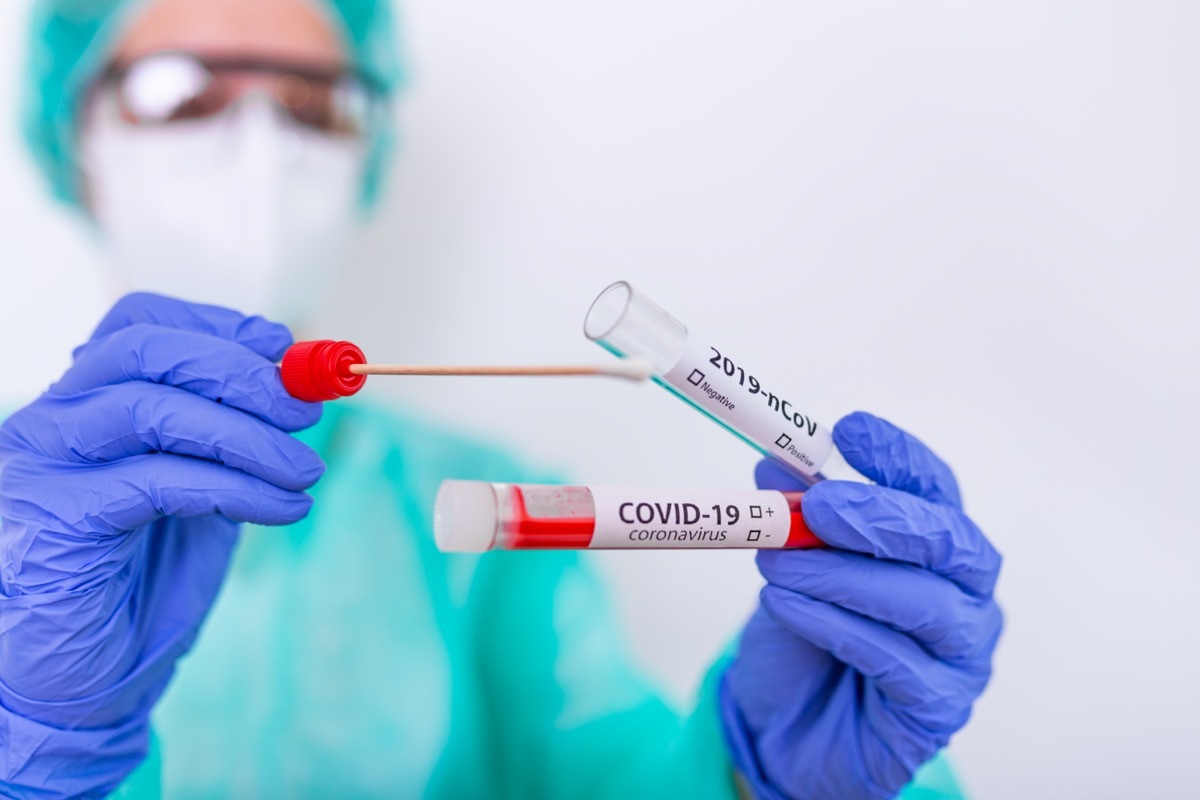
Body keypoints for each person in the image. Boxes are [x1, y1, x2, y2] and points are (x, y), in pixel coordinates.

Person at [0, 1, 1003, 798]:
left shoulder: (480, 516)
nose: (259, 151)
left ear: (366, 153)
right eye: (180, 94)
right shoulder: (22, 513)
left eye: (312, 107)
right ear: (72, 140)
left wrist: (754, 778)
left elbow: (611, 769)